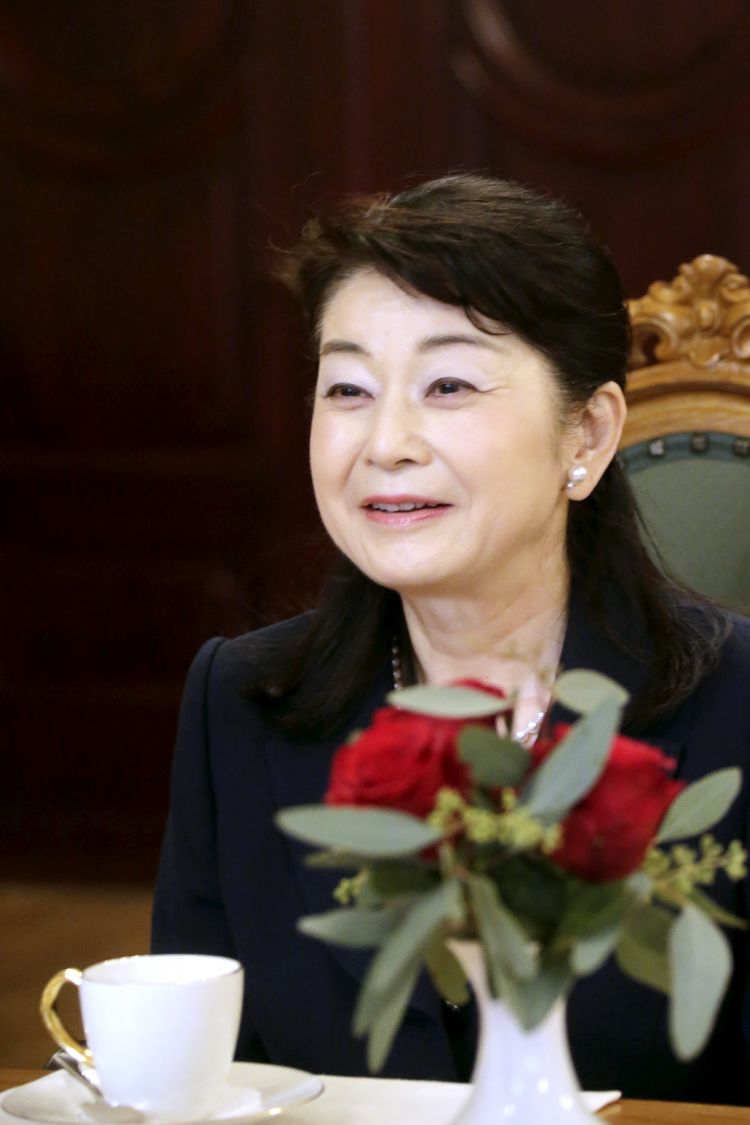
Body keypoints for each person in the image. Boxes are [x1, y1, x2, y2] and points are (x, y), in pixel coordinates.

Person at [151, 175, 750, 1104]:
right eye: (348, 388)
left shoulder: (734, 704)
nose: (385, 441)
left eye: (449, 385)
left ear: (587, 434)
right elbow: (195, 1083)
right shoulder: (241, 699)